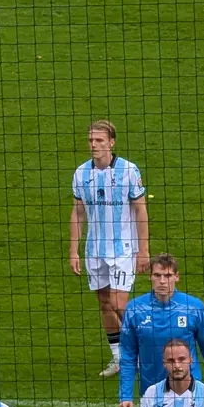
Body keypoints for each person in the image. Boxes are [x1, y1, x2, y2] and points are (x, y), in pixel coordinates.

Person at [69, 120, 151, 376]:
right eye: (91, 140)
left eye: (99, 140)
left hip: (123, 249)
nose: (94, 145)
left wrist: (143, 250)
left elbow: (140, 209)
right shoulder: (81, 173)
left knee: (118, 301)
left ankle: (146, 346)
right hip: (94, 250)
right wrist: (73, 250)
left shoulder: (128, 170)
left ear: (111, 142)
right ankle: (119, 358)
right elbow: (78, 212)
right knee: (104, 303)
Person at [118, 255, 204, 407]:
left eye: (167, 276)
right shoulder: (134, 309)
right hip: (152, 393)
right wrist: (125, 394)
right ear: (150, 277)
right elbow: (128, 355)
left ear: (176, 277)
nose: (162, 281)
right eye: (157, 275)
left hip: (190, 391)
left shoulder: (193, 308)